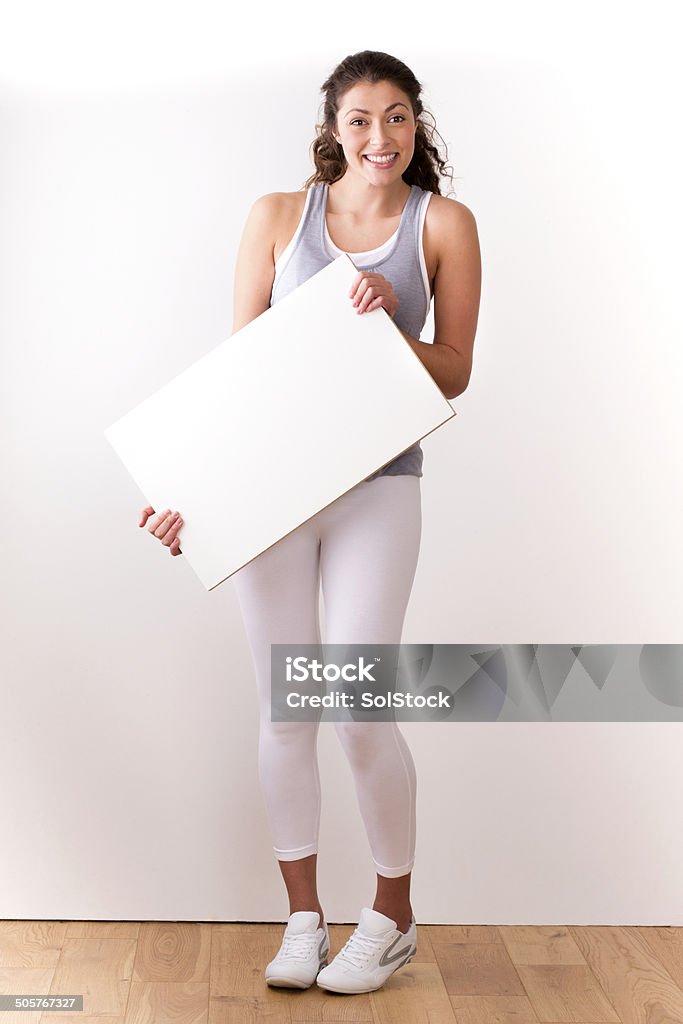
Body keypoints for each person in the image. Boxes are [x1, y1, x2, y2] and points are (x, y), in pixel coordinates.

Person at [138, 49, 481, 995]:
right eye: (363, 119)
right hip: (267, 496)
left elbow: (454, 367)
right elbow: (234, 381)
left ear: (418, 126)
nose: (382, 137)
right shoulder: (276, 219)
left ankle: (390, 918)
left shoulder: (441, 222)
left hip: (378, 487)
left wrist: (389, 330)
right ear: (332, 128)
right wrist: (185, 498)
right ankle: (301, 921)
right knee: (286, 709)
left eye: (399, 117)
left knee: (359, 709)